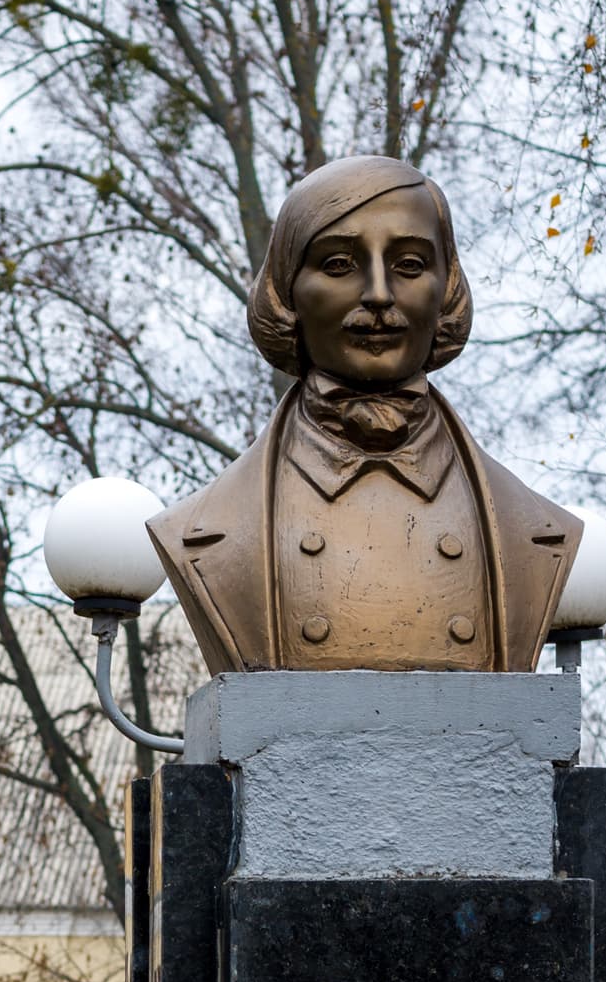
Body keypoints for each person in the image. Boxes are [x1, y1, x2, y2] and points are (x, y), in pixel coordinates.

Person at [147, 155, 583, 674]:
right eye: (338, 265)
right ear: (286, 293)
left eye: (410, 265)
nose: (378, 294)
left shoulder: (534, 530)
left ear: (446, 290)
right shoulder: (203, 532)